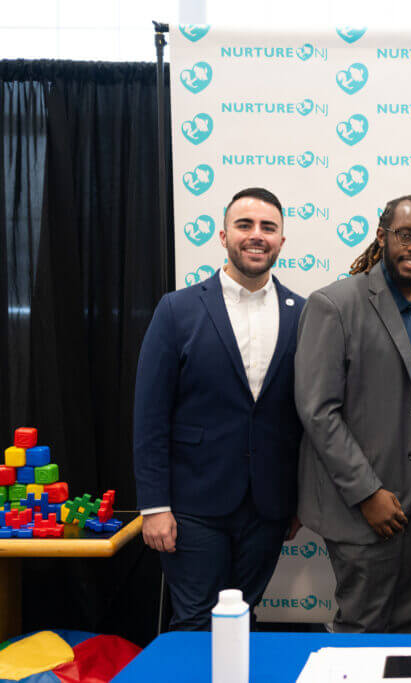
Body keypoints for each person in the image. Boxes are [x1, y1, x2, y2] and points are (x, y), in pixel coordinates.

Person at [133, 187, 304, 630]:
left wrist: (301, 500)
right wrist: (153, 506)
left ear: (282, 241)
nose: (257, 235)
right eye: (245, 225)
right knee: (194, 622)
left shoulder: (304, 315)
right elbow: (149, 417)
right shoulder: (177, 309)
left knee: (241, 622)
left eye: (269, 228)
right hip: (192, 506)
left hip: (269, 508)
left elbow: (305, 418)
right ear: (223, 234)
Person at [294, 194, 411, 633]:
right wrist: (368, 493)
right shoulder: (335, 304)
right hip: (365, 495)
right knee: (363, 623)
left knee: (407, 616)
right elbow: (318, 411)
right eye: (406, 235)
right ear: (383, 235)